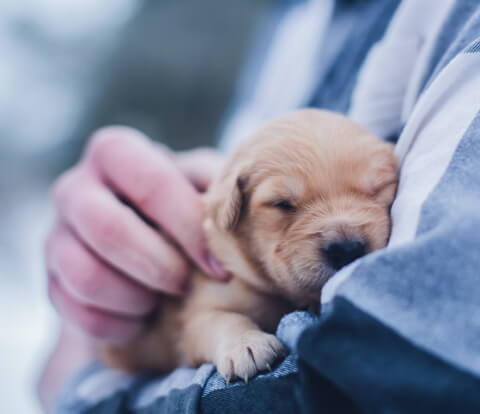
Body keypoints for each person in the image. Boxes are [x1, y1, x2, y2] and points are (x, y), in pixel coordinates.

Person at [40, 0, 480, 412]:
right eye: (285, 205)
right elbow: (200, 325)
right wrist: (86, 303)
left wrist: (80, 388)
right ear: (230, 211)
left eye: (375, 190)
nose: (342, 234)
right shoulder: (289, 23)